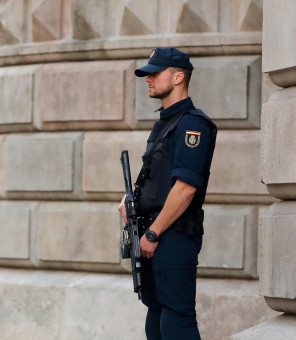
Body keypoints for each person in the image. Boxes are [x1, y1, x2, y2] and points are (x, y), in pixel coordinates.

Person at [118, 47, 217, 340]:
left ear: (177, 77)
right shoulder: (164, 123)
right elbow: (156, 177)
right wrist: (131, 200)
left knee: (177, 318)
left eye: (154, 73)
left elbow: (185, 188)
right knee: (157, 310)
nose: (148, 79)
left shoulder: (192, 125)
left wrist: (154, 233)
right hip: (153, 234)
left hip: (171, 236)